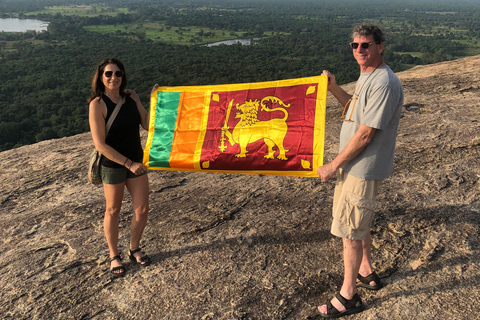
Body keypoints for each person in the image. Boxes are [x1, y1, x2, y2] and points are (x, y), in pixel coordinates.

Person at [316, 24, 404, 318]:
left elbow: (366, 134)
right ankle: (365, 271)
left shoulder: (384, 83)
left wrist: (333, 164)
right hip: (354, 166)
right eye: (354, 45)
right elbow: (352, 110)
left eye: (365, 45)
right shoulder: (368, 76)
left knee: (350, 231)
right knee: (358, 223)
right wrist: (334, 88)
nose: (359, 50)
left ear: (380, 46)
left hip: (361, 169)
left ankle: (348, 296)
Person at [88, 58, 158, 278]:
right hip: (114, 164)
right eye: (108, 74)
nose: (113, 78)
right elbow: (100, 144)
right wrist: (129, 163)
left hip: (136, 160)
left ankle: (134, 248)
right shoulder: (97, 104)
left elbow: (147, 124)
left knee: (142, 209)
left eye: (118, 73)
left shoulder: (132, 96)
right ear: (100, 77)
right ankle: (113, 255)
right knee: (113, 210)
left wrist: (155, 100)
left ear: (123, 76)